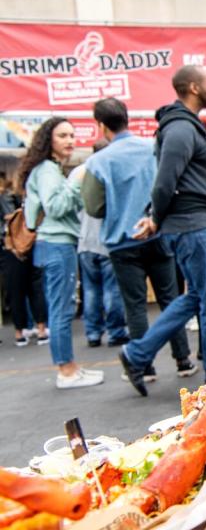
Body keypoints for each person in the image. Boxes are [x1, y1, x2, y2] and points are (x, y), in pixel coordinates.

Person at [119, 65, 206, 395]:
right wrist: (155, 216)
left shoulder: (185, 127)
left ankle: (137, 353)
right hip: (195, 227)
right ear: (194, 88)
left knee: (198, 297)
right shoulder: (182, 128)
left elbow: (174, 180)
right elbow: (165, 179)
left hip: (195, 224)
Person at [82, 97, 196, 381]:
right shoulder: (151, 148)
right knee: (171, 299)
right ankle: (183, 360)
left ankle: (144, 367)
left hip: (123, 241)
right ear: (127, 118)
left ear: (100, 125)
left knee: (135, 305)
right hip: (158, 233)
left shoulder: (97, 161)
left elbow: (93, 207)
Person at [19, 117, 103, 389]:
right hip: (56, 244)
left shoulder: (48, 169)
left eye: (72, 135)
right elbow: (54, 206)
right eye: (63, 135)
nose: (70, 140)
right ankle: (66, 371)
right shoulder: (47, 170)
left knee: (62, 307)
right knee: (61, 309)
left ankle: (70, 367)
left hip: (56, 244)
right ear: (49, 140)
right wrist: (75, 181)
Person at [77, 138, 129, 348]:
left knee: (91, 289)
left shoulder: (79, 172)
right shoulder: (111, 172)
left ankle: (93, 333)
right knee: (112, 289)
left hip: (84, 240)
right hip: (108, 241)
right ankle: (116, 332)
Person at [1, 170, 48, 348]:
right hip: (29, 243)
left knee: (16, 291)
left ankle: (20, 332)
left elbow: (8, 219)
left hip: (11, 247)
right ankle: (41, 328)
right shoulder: (26, 198)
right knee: (35, 288)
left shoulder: (7, 197)